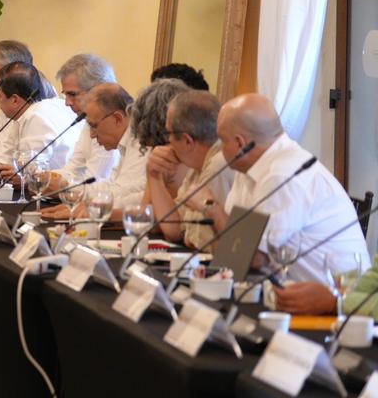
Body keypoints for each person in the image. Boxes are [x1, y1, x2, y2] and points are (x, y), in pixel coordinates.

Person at [205, 94, 371, 287]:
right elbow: (228, 251)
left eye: (222, 140)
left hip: (339, 299)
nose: (219, 148)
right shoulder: (247, 167)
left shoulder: (285, 174)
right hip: (281, 290)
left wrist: (211, 208)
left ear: (240, 143)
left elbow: (252, 258)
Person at [40, 82, 145, 220]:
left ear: (117, 119)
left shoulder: (141, 143)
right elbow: (112, 187)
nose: (92, 135)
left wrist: (72, 194)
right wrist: (78, 201)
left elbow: (130, 194)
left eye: (94, 126)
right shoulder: (125, 141)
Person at [142, 90, 233, 248]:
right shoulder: (197, 164)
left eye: (169, 133)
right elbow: (174, 228)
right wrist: (154, 176)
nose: (168, 140)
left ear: (187, 141)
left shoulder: (218, 165)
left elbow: (202, 243)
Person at [0, 62, 78, 177]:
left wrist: (21, 176)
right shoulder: (30, 113)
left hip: (62, 185)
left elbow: (31, 172)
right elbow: (11, 165)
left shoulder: (35, 117)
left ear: (15, 100)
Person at [42, 53, 120, 190]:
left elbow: (94, 183)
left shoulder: (110, 125)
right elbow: (72, 170)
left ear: (98, 90)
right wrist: (37, 177)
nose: (67, 103)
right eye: (65, 94)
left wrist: (60, 186)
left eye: (72, 94)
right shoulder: (88, 122)